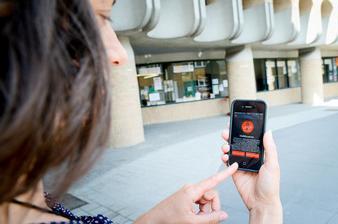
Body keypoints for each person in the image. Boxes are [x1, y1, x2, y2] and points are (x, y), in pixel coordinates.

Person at [0, 0, 282, 223]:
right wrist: (265, 211)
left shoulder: (25, 192)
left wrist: (152, 222)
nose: (118, 54)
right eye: (96, 17)